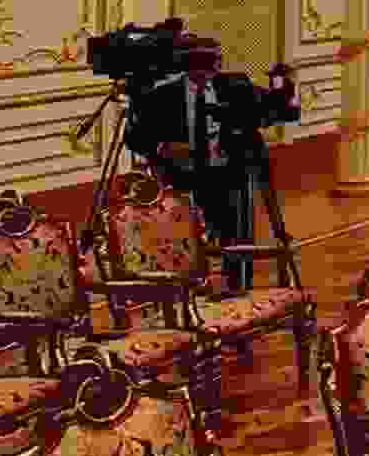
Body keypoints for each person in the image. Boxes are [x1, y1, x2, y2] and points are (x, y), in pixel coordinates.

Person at [124, 38, 298, 289]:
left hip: (228, 173)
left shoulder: (236, 86)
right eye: (205, 62)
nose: (213, 69)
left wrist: (285, 86)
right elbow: (134, 136)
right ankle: (187, 288)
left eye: (216, 61)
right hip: (183, 178)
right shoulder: (162, 96)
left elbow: (280, 111)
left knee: (236, 233)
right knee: (184, 237)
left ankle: (239, 286)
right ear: (188, 65)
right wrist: (162, 147)